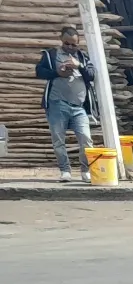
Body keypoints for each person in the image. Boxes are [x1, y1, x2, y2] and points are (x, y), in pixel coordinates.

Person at [36, 25, 96, 184]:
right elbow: (39, 72)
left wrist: (79, 66)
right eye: (66, 43)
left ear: (78, 43)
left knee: (86, 139)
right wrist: (57, 73)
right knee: (58, 140)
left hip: (79, 106)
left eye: (73, 44)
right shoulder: (51, 55)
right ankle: (65, 171)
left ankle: (86, 171)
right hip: (57, 103)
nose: (70, 47)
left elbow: (91, 75)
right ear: (61, 40)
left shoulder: (83, 57)